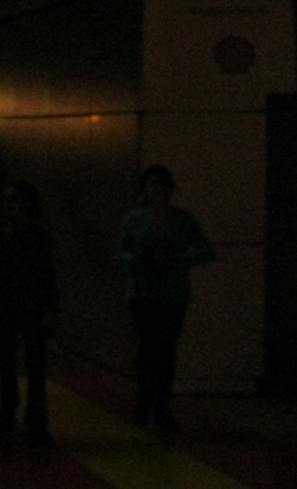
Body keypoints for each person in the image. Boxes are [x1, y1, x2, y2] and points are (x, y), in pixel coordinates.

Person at [117, 164, 214, 432]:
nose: (158, 189)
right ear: (145, 190)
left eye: (163, 184)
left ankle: (159, 406)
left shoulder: (183, 220)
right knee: (148, 348)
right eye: (153, 184)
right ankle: (146, 402)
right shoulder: (133, 220)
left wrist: (174, 259)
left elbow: (205, 250)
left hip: (172, 293)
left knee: (165, 350)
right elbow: (121, 251)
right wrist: (138, 260)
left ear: (170, 189)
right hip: (143, 291)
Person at [0, 181, 57, 446]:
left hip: (25, 306)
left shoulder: (17, 237)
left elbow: (47, 274)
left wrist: (50, 307)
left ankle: (19, 413)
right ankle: (20, 413)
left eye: (14, 199)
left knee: (24, 364)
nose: (8, 205)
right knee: (17, 363)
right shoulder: (4, 237)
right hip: (14, 306)